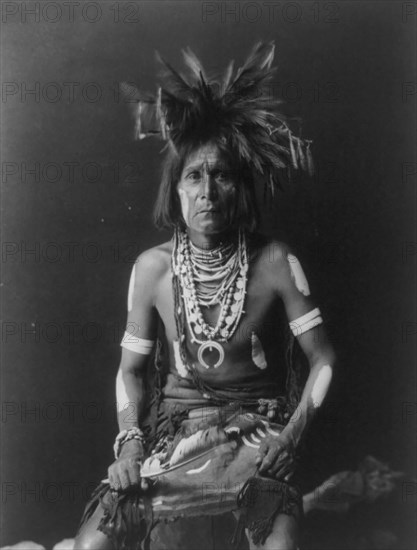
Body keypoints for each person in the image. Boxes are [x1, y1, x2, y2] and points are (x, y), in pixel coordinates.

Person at [75, 42, 336, 550]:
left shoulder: (276, 261)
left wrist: (291, 437)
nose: (208, 192)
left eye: (221, 175)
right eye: (194, 176)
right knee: (91, 545)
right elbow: (130, 370)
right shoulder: (152, 270)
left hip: (258, 436)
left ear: (239, 187)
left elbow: (322, 357)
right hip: (175, 444)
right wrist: (130, 446)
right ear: (176, 191)